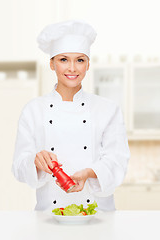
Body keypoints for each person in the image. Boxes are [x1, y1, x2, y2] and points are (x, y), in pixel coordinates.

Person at [12, 19, 130, 211]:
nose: (72, 68)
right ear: (52, 64)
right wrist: (35, 161)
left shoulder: (108, 109)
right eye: (63, 59)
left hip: (98, 214)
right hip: (49, 214)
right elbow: (18, 167)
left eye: (80, 60)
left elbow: (118, 161)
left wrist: (89, 173)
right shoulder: (33, 110)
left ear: (88, 64)